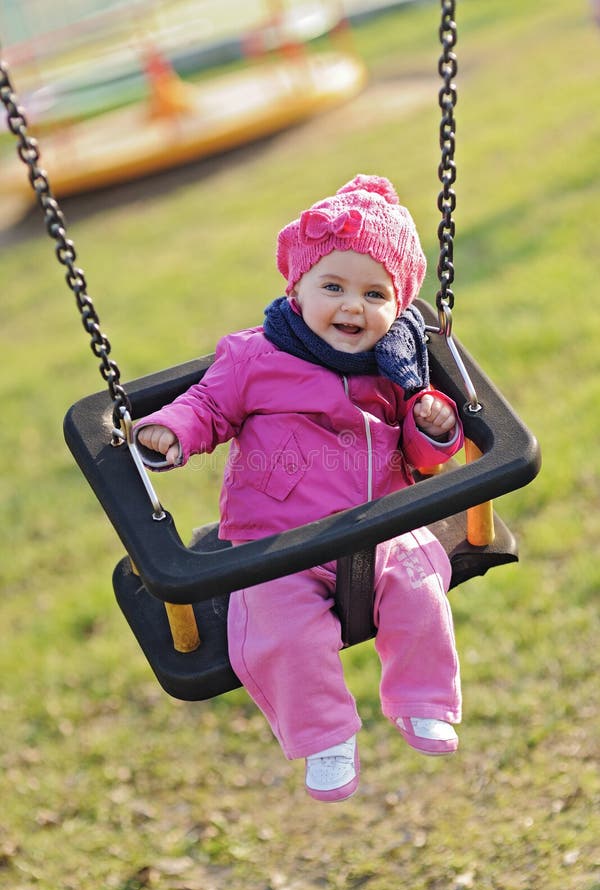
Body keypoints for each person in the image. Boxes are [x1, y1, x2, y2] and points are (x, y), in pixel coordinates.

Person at [135, 175, 464, 802]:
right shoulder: (255, 356)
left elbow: (423, 458)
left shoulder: (398, 364)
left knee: (422, 586)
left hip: (381, 523)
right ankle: (324, 737)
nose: (352, 307)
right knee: (281, 632)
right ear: (297, 288)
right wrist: (172, 432)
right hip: (275, 542)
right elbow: (206, 405)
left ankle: (421, 699)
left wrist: (433, 425)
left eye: (374, 293)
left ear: (397, 304)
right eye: (332, 287)